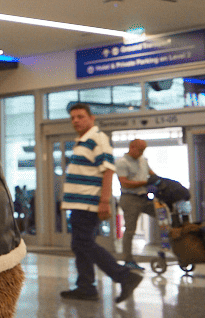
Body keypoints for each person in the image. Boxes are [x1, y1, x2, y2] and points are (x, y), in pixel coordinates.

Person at [61, 102, 143, 303]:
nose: (76, 121)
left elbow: (108, 170)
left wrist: (105, 201)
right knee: (80, 245)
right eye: (73, 118)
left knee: (83, 243)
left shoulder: (97, 138)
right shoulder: (82, 141)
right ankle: (86, 287)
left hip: (89, 203)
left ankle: (125, 276)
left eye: (80, 116)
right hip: (79, 204)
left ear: (91, 118)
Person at [116, 138, 157, 269]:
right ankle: (128, 260)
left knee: (163, 216)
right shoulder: (122, 162)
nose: (141, 153)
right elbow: (124, 182)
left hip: (144, 198)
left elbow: (152, 175)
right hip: (130, 199)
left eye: (143, 150)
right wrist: (145, 183)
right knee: (130, 231)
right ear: (132, 147)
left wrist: (159, 182)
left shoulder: (143, 160)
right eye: (140, 150)